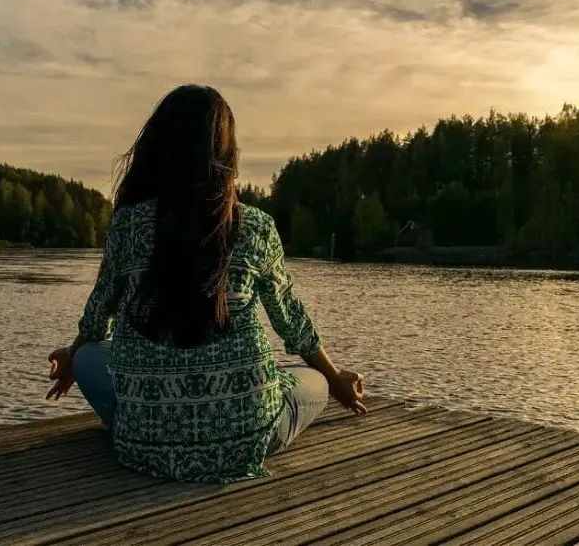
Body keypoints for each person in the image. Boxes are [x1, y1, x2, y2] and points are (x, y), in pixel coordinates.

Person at [46, 84, 366, 484]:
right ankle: (234, 414)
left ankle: (144, 424)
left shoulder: (127, 224)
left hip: (143, 447)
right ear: (227, 154)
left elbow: (98, 315)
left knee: (92, 355)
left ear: (156, 148)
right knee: (313, 380)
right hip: (245, 439)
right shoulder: (255, 226)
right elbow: (291, 321)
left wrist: (73, 354)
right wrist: (335, 378)